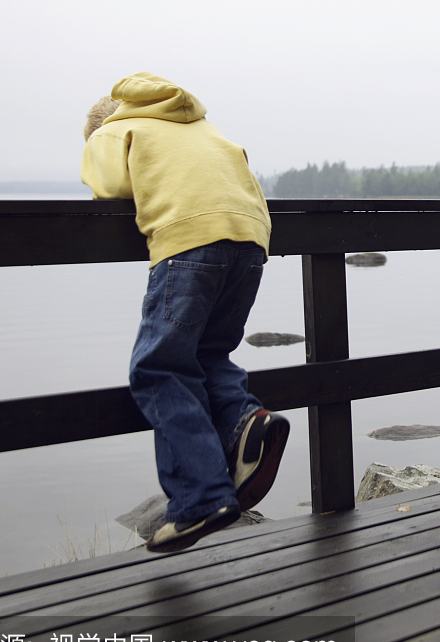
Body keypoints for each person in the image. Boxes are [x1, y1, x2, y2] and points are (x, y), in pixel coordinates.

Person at [82, 72, 289, 552]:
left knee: (158, 368)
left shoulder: (115, 129)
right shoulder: (201, 126)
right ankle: (248, 421)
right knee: (208, 353)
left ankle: (200, 496)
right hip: (251, 241)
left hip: (189, 243)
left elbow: (110, 188)